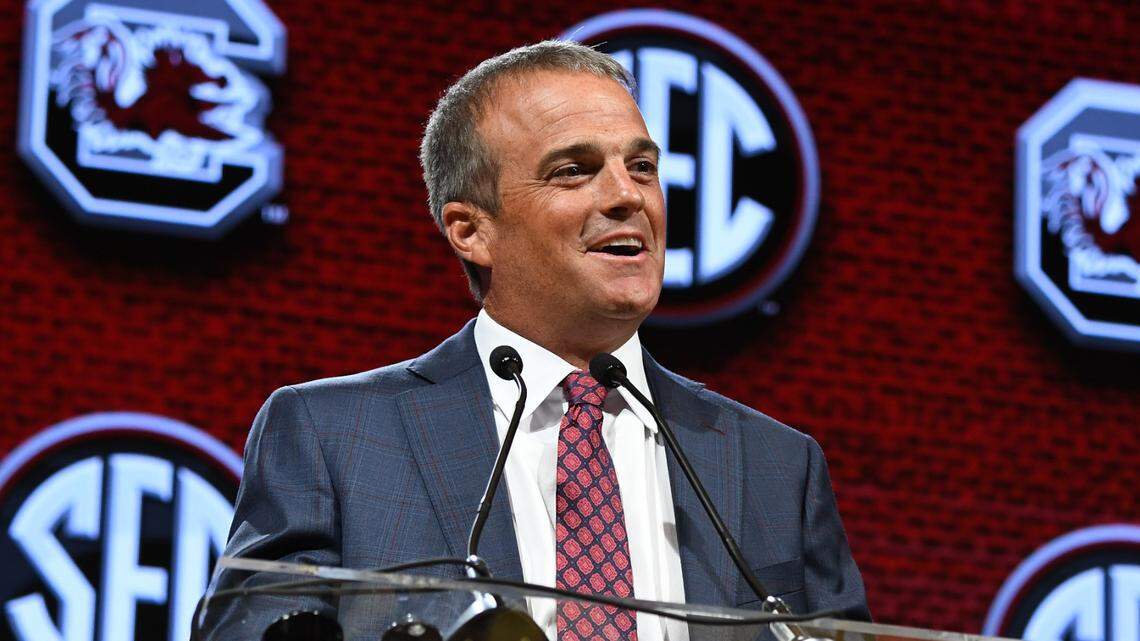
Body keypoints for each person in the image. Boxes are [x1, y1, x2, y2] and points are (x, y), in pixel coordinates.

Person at [211, 40, 869, 641]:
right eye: (574, 170)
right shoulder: (336, 437)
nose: (628, 196)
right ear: (471, 230)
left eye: (642, 166)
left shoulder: (779, 466)